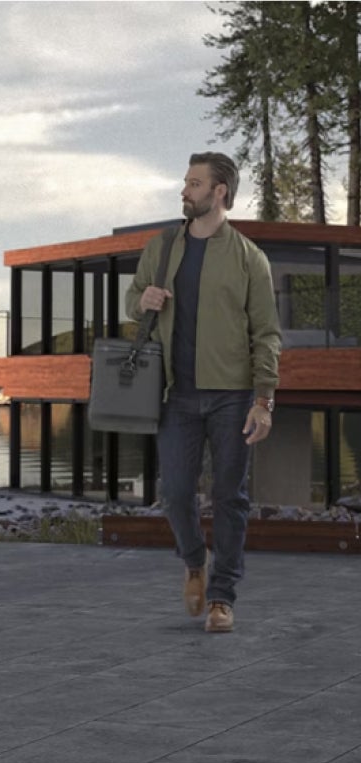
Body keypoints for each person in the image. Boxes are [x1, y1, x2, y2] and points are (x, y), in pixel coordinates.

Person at [125, 152, 281, 634]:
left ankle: (222, 597)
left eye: (194, 184)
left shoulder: (249, 258)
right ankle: (194, 561)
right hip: (176, 393)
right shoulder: (164, 247)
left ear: (219, 193)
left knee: (229, 496)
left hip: (233, 396)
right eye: (185, 182)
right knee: (174, 492)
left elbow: (267, 334)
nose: (184, 191)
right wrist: (142, 300)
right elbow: (133, 300)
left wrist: (264, 399)